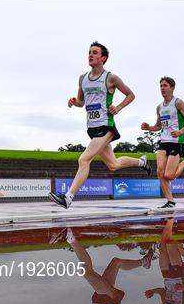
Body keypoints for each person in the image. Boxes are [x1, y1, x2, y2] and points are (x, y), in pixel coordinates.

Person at [48, 42, 151, 209]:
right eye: (89, 52)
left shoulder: (111, 78)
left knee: (84, 159)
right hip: (92, 127)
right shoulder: (82, 79)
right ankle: (141, 162)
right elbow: (82, 102)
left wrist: (118, 107)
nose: (90, 55)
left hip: (106, 125)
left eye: (95, 53)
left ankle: (68, 198)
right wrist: (75, 102)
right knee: (113, 165)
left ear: (103, 58)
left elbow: (131, 95)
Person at [141, 77, 184, 208]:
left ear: (172, 88)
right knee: (160, 172)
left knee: (169, 175)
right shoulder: (159, 107)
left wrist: (181, 131)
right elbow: (158, 126)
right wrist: (148, 127)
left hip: (176, 141)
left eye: (165, 86)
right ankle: (170, 201)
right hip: (163, 141)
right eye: (161, 86)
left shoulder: (178, 103)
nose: (162, 88)